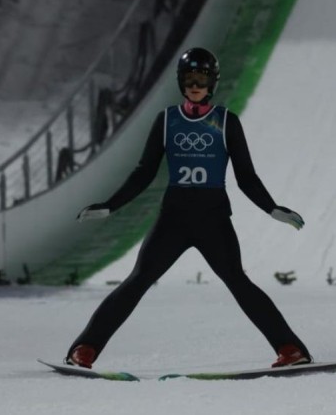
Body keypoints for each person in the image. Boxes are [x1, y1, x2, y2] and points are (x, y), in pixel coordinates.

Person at [67, 47, 312, 369]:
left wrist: (271, 208)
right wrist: (111, 206)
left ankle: (291, 349)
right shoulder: (167, 120)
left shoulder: (226, 122)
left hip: (213, 218)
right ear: (181, 82)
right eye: (189, 78)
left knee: (238, 281)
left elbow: (247, 177)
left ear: (212, 83)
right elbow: (144, 172)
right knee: (138, 279)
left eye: (202, 78)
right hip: (175, 218)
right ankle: (85, 348)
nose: (195, 84)